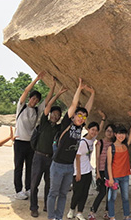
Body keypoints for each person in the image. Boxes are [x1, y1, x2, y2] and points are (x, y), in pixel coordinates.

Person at [47, 78, 95, 220]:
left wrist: (93, 93)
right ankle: (51, 217)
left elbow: (88, 108)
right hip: (58, 165)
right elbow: (75, 104)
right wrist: (79, 89)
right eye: (79, 115)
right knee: (53, 193)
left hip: (69, 167)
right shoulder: (67, 122)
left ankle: (58, 217)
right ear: (73, 115)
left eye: (83, 117)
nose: (81, 118)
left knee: (63, 194)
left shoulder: (80, 127)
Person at [30, 81, 67, 218]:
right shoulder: (44, 122)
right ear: (50, 114)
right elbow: (48, 105)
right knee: (34, 184)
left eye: (58, 115)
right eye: (54, 114)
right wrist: (58, 94)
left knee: (49, 184)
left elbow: (68, 119)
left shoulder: (58, 128)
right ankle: (34, 207)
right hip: (38, 157)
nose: (55, 116)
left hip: (51, 158)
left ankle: (47, 204)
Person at [14, 71, 52, 200]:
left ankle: (28, 188)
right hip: (19, 142)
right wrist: (37, 79)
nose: (35, 101)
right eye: (33, 98)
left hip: (30, 144)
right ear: (30, 98)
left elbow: (47, 101)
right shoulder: (21, 107)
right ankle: (18, 190)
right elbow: (25, 91)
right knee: (18, 167)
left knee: (30, 167)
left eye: (37, 100)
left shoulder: (37, 110)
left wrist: (53, 88)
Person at [106, 111, 131, 220]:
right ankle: (111, 216)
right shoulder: (111, 148)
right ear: (115, 135)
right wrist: (110, 178)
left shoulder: (126, 145)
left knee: (126, 197)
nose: (121, 136)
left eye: (123, 134)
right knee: (112, 198)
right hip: (114, 176)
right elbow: (109, 164)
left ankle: (127, 216)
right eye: (119, 133)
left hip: (125, 176)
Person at [67, 121, 100, 220]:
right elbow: (77, 158)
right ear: (88, 129)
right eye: (92, 129)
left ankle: (79, 212)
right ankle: (71, 209)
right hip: (79, 172)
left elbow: (99, 130)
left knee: (85, 193)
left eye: (96, 130)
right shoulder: (82, 142)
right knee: (77, 193)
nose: (94, 132)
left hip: (88, 171)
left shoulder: (92, 139)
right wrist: (78, 173)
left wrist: (102, 119)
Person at [88, 114, 112, 220]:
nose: (109, 133)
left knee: (110, 192)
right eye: (108, 131)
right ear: (105, 131)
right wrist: (97, 172)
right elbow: (97, 158)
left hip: (111, 171)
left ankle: (107, 212)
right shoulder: (100, 142)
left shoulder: (114, 144)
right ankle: (92, 212)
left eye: (111, 131)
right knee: (102, 192)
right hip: (101, 171)